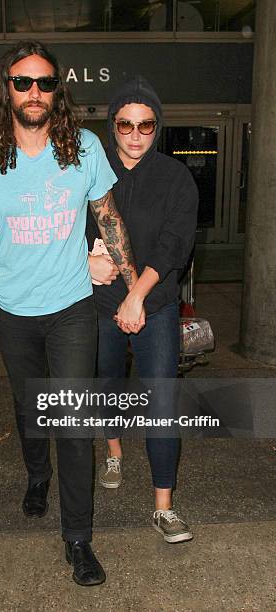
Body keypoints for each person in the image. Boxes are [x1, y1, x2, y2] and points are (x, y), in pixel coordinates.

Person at [0, 41, 142, 586]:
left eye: (44, 82)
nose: (34, 92)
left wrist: (134, 290)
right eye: (22, 82)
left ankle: (78, 539)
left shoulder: (83, 148)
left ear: (58, 89)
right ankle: (37, 474)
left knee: (74, 423)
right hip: (12, 312)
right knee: (29, 406)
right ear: (6, 89)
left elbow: (109, 219)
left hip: (72, 308)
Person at [86, 76, 198, 543]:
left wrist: (138, 295)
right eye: (125, 124)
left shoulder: (175, 178)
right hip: (100, 304)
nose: (135, 135)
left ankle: (164, 506)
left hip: (157, 306)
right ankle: (113, 450)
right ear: (112, 126)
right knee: (108, 383)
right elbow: (68, 229)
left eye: (146, 125)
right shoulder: (92, 173)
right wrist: (87, 260)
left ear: (158, 127)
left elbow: (176, 244)